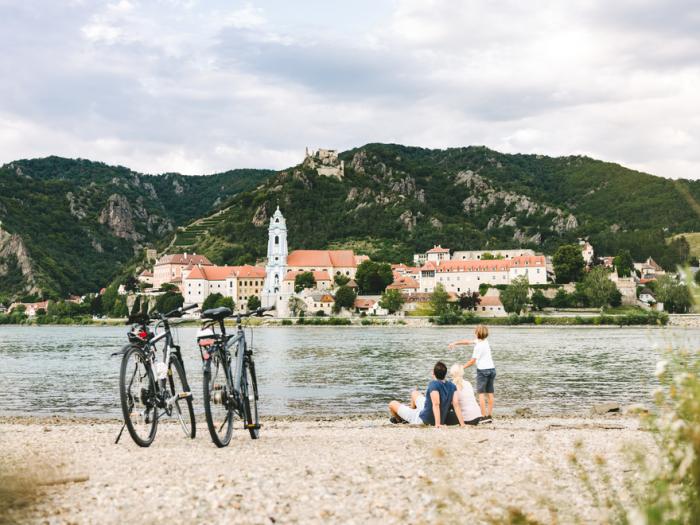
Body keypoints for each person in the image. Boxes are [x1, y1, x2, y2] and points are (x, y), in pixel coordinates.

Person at [388, 361, 465, 428]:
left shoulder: (433, 384)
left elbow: (436, 404)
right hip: (427, 411)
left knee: (392, 404)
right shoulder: (452, 386)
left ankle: (400, 420)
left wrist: (437, 424)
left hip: (422, 419)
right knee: (414, 393)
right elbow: (456, 405)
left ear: (433, 373)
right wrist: (462, 424)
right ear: (445, 374)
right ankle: (410, 412)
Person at [448, 324, 496, 423]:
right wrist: (455, 343)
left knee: (481, 394)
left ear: (477, 333)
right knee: (490, 394)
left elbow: (472, 361)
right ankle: (489, 415)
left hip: (483, 371)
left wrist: (461, 367)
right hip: (492, 370)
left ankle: (483, 416)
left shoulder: (478, 346)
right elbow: (467, 342)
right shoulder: (484, 341)